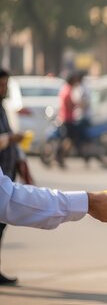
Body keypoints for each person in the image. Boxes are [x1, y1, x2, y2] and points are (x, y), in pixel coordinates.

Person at [0, 68, 32, 285]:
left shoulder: (2, 108)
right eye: (2, 85)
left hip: (7, 176)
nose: (5, 89)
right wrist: (11, 139)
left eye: (6, 85)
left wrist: (22, 164)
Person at [56, 71, 81, 168]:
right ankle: (60, 155)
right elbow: (70, 104)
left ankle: (60, 155)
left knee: (68, 139)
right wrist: (78, 104)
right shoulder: (68, 90)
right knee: (70, 139)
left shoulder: (64, 89)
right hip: (68, 118)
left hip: (65, 117)